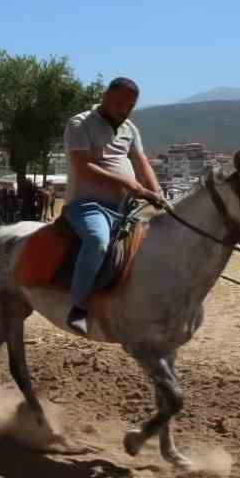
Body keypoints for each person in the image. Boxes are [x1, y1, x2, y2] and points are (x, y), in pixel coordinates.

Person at [62, 78, 166, 337]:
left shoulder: (130, 128)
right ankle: (79, 306)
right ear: (105, 96)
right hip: (87, 205)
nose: (125, 109)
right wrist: (132, 185)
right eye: (120, 103)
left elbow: (142, 162)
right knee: (97, 240)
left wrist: (157, 193)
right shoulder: (80, 123)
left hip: (125, 207)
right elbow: (83, 167)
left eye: (130, 105)